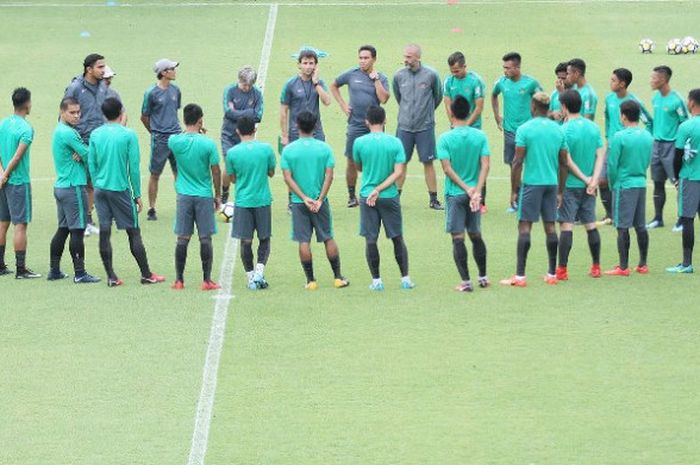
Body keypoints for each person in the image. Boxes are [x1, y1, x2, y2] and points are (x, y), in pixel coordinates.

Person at [88, 97, 165, 287]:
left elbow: (91, 162)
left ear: (104, 114)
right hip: (119, 190)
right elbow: (134, 168)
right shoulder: (128, 135)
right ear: (121, 113)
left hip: (100, 190)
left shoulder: (95, 134)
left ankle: (111, 277)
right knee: (133, 232)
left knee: (105, 232)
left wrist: (98, 183)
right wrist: (137, 194)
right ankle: (146, 274)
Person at [500, 92, 567, 287]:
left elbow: (517, 161)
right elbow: (563, 163)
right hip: (551, 184)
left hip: (532, 184)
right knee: (550, 228)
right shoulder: (558, 130)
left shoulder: (524, 129)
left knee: (525, 227)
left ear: (533, 106)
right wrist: (560, 191)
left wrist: (514, 189)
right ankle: (551, 274)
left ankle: (520, 276)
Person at [281, 111, 349, 289]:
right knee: (328, 237)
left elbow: (288, 178)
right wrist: (319, 199)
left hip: (298, 203)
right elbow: (329, 176)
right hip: (320, 203)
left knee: (304, 240)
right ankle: (337, 277)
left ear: (297, 125)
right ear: (315, 126)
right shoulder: (324, 148)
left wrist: (303, 198)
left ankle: (311, 281)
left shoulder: (289, 150)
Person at [353, 106, 415, 291]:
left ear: (367, 121)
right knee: (397, 237)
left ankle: (377, 281)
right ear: (385, 120)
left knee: (371, 239)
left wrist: (373, 188)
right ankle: (405, 279)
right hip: (389, 196)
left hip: (367, 196)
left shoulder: (359, 142)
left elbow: (359, 167)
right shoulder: (395, 142)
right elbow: (398, 172)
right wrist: (381, 188)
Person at [436, 96, 490, 291]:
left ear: (451, 112)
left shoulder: (445, 138)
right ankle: (483, 277)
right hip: (474, 196)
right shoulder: (480, 136)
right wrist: (476, 190)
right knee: (476, 234)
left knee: (458, 238)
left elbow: (447, 169)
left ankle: (466, 282)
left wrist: (465, 188)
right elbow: (485, 165)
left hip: (455, 194)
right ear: (469, 112)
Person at [168, 103, 221, 290]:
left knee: (182, 238)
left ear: (184, 120)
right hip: (204, 195)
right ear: (200, 120)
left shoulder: (174, 141)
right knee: (205, 238)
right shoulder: (208, 143)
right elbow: (216, 171)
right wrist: (218, 195)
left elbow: (180, 138)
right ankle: (207, 280)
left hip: (183, 195)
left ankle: (179, 280)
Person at [330, 45, 390, 208]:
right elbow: (334, 85)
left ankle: (377, 193)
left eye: (366, 58)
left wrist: (376, 80)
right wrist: (343, 104)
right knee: (351, 160)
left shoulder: (381, 77)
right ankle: (351, 195)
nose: (363, 61)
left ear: (374, 59)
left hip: (375, 126)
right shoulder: (351, 74)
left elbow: (384, 99)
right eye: (361, 58)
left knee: (378, 160)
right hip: (355, 125)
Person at [48, 97, 101, 283]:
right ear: (62, 112)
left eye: (78, 112)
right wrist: (87, 151)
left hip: (61, 186)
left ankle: (54, 271)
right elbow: (88, 155)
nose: (77, 115)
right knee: (77, 230)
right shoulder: (69, 134)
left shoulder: (59, 130)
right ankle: (80, 273)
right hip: (73, 187)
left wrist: (82, 151)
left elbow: (83, 153)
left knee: (63, 229)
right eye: (72, 112)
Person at [555, 90, 605, 280]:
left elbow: (566, 160)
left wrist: (585, 178)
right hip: (590, 186)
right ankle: (596, 267)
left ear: (564, 106)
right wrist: (594, 179)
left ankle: (562, 270)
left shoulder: (564, 130)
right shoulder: (593, 127)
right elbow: (600, 154)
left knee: (567, 226)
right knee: (590, 225)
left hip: (571, 185)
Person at [64, 53, 113, 235]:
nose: (103, 70)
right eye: (100, 67)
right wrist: (73, 145)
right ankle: (78, 221)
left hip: (98, 143)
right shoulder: (75, 88)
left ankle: (88, 219)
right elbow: (64, 115)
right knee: (80, 184)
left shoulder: (103, 87)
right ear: (89, 69)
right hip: (81, 143)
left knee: (93, 183)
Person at [225, 116, 275, 290]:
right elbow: (271, 172)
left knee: (245, 241)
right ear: (254, 129)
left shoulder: (232, 153)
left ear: (237, 131)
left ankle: (250, 276)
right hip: (262, 200)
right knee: (264, 239)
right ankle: (259, 273)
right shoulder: (266, 149)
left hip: (243, 202)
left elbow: (231, 178)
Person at [599, 68, 653, 225]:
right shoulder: (609, 99)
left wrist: (639, 137)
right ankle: (611, 213)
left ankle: (621, 213)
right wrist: (608, 136)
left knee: (623, 179)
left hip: (629, 146)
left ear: (622, 84)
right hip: (612, 145)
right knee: (603, 180)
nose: (611, 83)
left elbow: (649, 121)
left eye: (613, 80)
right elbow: (608, 118)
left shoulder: (634, 103)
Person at [605, 100, 653, 276]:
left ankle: (623, 267)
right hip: (641, 183)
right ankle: (642, 263)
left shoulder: (619, 137)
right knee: (640, 225)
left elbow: (612, 165)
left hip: (624, 185)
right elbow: (647, 160)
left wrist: (613, 184)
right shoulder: (647, 136)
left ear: (623, 115)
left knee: (622, 226)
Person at [393, 44, 443, 210]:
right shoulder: (399, 76)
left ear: (417, 57)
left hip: (425, 127)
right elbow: (398, 96)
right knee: (401, 162)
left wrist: (425, 113)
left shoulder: (431, 75)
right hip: (404, 127)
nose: (405, 60)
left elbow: (437, 96)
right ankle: (396, 198)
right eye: (405, 56)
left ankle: (433, 199)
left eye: (409, 57)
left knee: (428, 162)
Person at [491, 52, 542, 213]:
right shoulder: (501, 83)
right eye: (504, 67)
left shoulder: (531, 83)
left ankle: (532, 199)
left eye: (508, 68)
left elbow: (542, 100)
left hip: (528, 133)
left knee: (530, 164)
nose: (505, 71)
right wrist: (497, 117)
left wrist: (537, 120)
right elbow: (493, 96)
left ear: (517, 67)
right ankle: (517, 200)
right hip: (510, 131)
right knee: (513, 165)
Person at [280, 48, 331, 210]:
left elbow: (327, 101)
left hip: (317, 131)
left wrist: (316, 83)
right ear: (299, 65)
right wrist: (284, 135)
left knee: (321, 166)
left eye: (311, 63)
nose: (308, 66)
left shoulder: (319, 83)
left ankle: (319, 197)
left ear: (316, 65)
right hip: (296, 132)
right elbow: (283, 111)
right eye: (305, 63)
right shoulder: (290, 85)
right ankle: (292, 199)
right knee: (293, 168)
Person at [0, 87, 40, 278]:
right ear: (27, 103)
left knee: (2, 223)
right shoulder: (26, 128)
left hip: (3, 182)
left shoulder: (4, 123)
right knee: (20, 225)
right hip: (18, 182)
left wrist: (1, 175)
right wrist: (6, 174)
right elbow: (17, 156)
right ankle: (21, 269)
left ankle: (0, 265)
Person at [443, 51, 488, 212]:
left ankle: (481, 201)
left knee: (478, 163)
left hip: (473, 128)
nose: (454, 74)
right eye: (452, 71)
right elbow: (447, 104)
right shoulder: (449, 81)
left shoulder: (475, 81)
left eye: (457, 71)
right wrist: (454, 123)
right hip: (455, 127)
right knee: (455, 162)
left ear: (464, 67)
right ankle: (458, 197)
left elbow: (479, 107)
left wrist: (466, 125)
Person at [647, 65, 688, 230]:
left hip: (672, 146)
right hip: (656, 145)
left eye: (653, 78)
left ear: (663, 79)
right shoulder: (655, 98)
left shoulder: (677, 100)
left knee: (678, 183)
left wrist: (681, 147)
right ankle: (658, 218)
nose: (651, 80)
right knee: (657, 182)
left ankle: (682, 220)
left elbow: (685, 123)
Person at [141, 58, 181, 221]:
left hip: (177, 137)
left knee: (179, 173)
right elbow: (144, 116)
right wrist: (155, 132)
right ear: (163, 73)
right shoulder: (151, 93)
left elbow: (174, 111)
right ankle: (152, 208)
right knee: (155, 174)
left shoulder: (176, 90)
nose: (174, 71)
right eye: (172, 68)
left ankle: (182, 204)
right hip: (160, 139)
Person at [666, 88, 700, 273]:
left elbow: (677, 155)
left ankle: (687, 263)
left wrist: (676, 177)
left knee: (687, 219)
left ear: (692, 103)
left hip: (691, 178)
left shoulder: (686, 126)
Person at [220, 65, 263, 204]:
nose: (247, 88)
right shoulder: (230, 90)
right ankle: (225, 192)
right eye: (244, 84)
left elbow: (258, 116)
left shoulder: (257, 94)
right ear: (239, 80)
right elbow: (228, 112)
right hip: (228, 134)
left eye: (249, 85)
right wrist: (247, 112)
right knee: (228, 164)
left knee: (244, 166)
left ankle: (242, 194)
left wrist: (237, 113)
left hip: (246, 136)